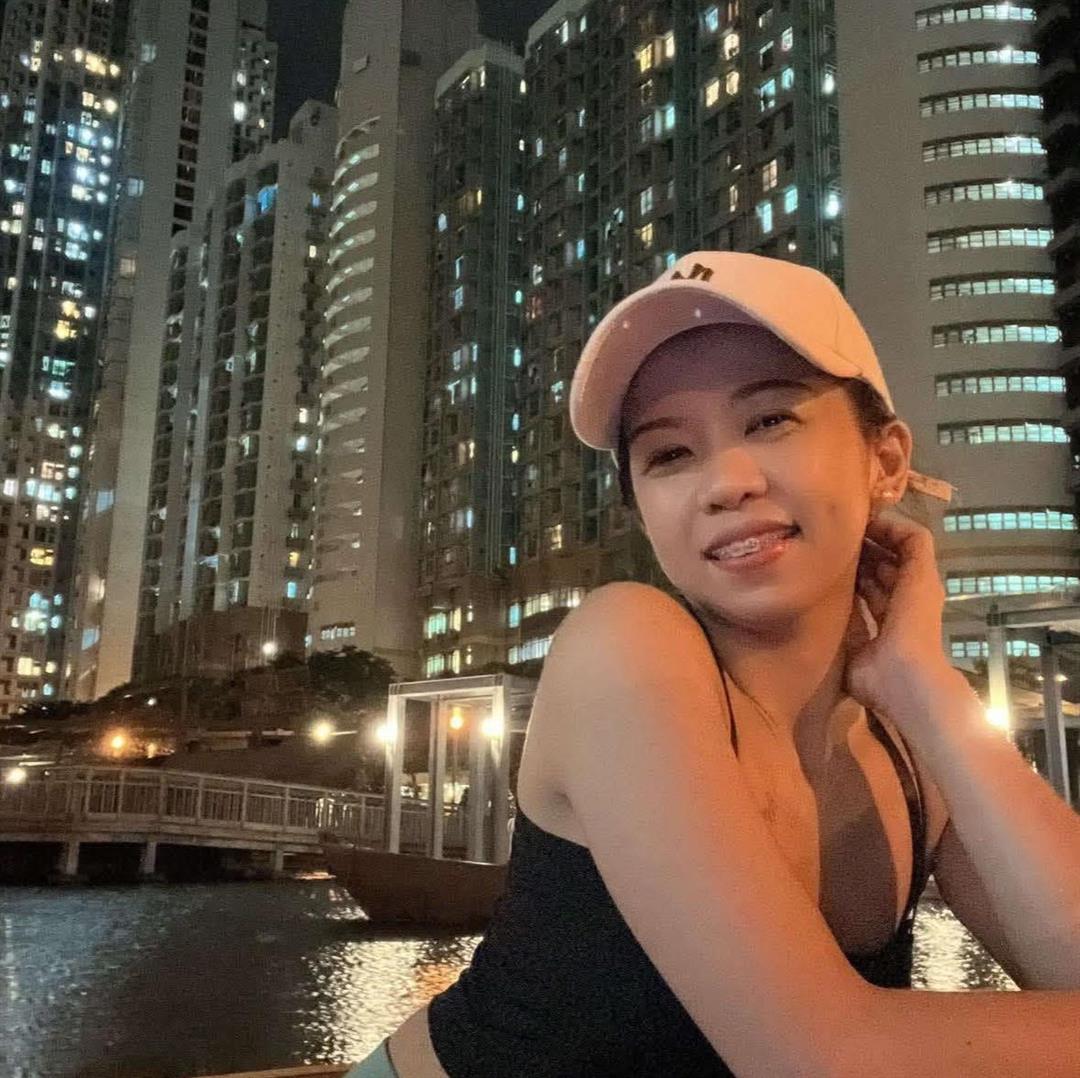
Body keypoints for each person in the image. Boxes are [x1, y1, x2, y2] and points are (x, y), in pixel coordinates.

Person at [346, 252, 1080, 1077]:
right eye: (669, 455)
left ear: (885, 461)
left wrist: (926, 686)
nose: (726, 484)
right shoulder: (626, 646)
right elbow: (818, 1061)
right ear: (645, 513)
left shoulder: (910, 745)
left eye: (770, 420)